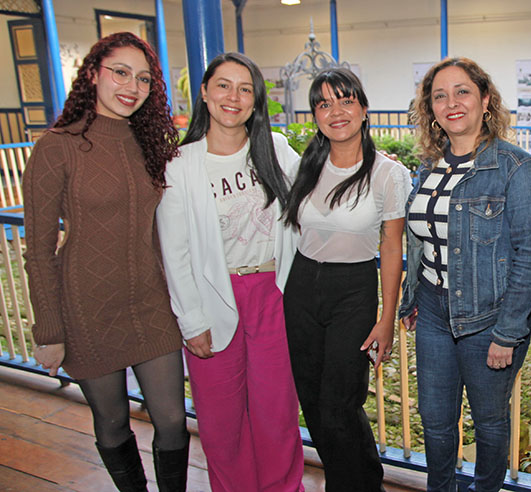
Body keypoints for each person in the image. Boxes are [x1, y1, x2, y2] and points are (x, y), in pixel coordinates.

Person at [23, 32, 189, 491]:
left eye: (142, 79)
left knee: (173, 419)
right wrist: (49, 330)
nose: (131, 87)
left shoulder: (150, 143)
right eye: (120, 72)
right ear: (93, 73)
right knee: (113, 421)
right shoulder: (56, 146)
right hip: (87, 306)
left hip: (151, 303)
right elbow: (38, 248)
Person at [156, 52, 304, 492]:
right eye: (223, 85)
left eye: (245, 88)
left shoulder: (274, 148)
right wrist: (191, 321)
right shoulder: (180, 165)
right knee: (221, 421)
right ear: (204, 92)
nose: (233, 97)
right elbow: (174, 251)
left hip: (272, 293)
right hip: (212, 296)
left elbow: (317, 190)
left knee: (276, 411)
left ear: (256, 100)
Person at [398, 57, 531, 492]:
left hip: (489, 319)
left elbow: (530, 257)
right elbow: (421, 241)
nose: (451, 103)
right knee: (436, 421)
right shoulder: (429, 169)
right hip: (433, 312)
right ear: (431, 109)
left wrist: (508, 332)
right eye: (439, 96)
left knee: (489, 423)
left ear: (485, 100)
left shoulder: (515, 168)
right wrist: (412, 300)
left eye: (462, 91)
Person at [281, 67, 410, 492]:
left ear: (364, 108)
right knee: (314, 403)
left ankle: (362, 484)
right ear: (315, 114)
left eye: (345, 100)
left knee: (341, 403)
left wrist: (386, 316)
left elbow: (392, 246)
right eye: (323, 103)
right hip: (301, 288)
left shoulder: (388, 174)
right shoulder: (308, 163)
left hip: (352, 289)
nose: (335, 111)